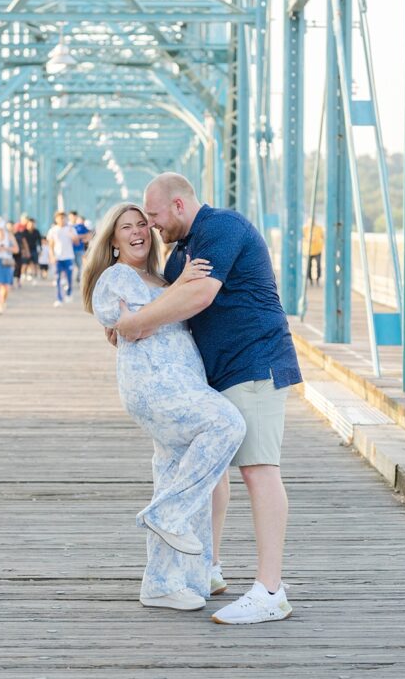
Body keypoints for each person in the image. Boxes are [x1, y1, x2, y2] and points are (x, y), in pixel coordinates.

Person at [115, 172, 303, 625]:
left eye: (155, 216)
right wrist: (127, 320)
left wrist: (135, 325)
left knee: (259, 471)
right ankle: (208, 566)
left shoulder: (221, 227)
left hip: (253, 361)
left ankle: (270, 590)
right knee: (213, 472)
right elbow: (161, 300)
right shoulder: (182, 252)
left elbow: (199, 295)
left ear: (179, 205)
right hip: (213, 374)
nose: (152, 227)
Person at [82, 202, 246, 611]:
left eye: (143, 224)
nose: (138, 231)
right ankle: (167, 514)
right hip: (153, 385)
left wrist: (177, 285)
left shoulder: (160, 275)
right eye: (127, 227)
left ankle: (163, 582)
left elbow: (158, 313)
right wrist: (178, 289)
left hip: (181, 383)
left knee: (176, 473)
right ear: (113, 241)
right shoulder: (117, 277)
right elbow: (134, 325)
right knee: (227, 424)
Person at [47, 211, 76, 306]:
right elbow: (51, 244)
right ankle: (59, 298)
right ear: (56, 219)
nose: (62, 220)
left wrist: (73, 236)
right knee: (58, 278)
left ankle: (69, 292)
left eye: (63, 218)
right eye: (59, 218)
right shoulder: (53, 230)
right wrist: (52, 256)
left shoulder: (70, 229)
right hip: (58, 257)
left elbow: (76, 242)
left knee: (69, 277)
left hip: (68, 257)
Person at [303, 218, 324, 286]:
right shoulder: (306, 228)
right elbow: (302, 237)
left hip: (317, 250)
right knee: (309, 266)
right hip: (308, 251)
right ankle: (310, 280)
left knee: (318, 265)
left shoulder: (319, 228)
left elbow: (323, 237)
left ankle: (318, 279)